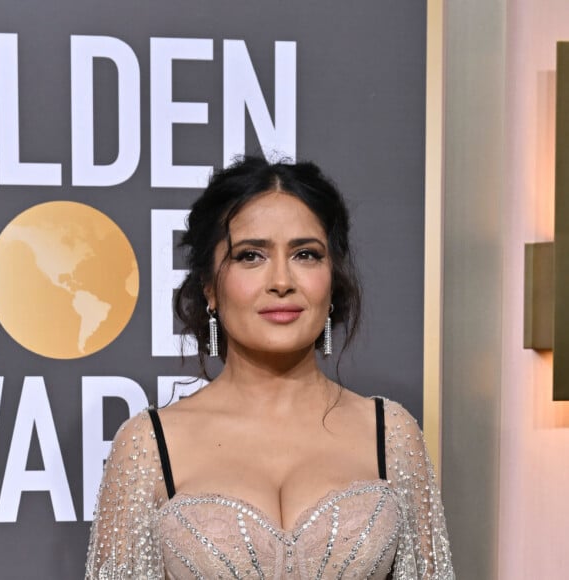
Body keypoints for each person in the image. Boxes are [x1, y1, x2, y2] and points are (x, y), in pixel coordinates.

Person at [85, 156, 454, 579]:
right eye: (251, 256)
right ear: (209, 286)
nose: (282, 281)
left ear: (332, 279)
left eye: (306, 254)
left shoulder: (390, 434)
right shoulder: (148, 447)